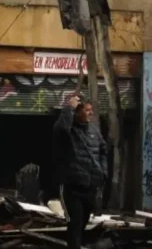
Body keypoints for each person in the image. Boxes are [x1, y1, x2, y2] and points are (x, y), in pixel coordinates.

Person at [54, 95, 107, 249]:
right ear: (77, 113)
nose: (91, 113)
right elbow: (60, 128)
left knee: (83, 222)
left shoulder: (93, 131)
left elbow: (103, 150)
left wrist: (103, 172)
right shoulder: (68, 131)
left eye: (91, 110)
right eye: (87, 110)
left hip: (90, 187)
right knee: (75, 223)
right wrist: (69, 108)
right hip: (72, 187)